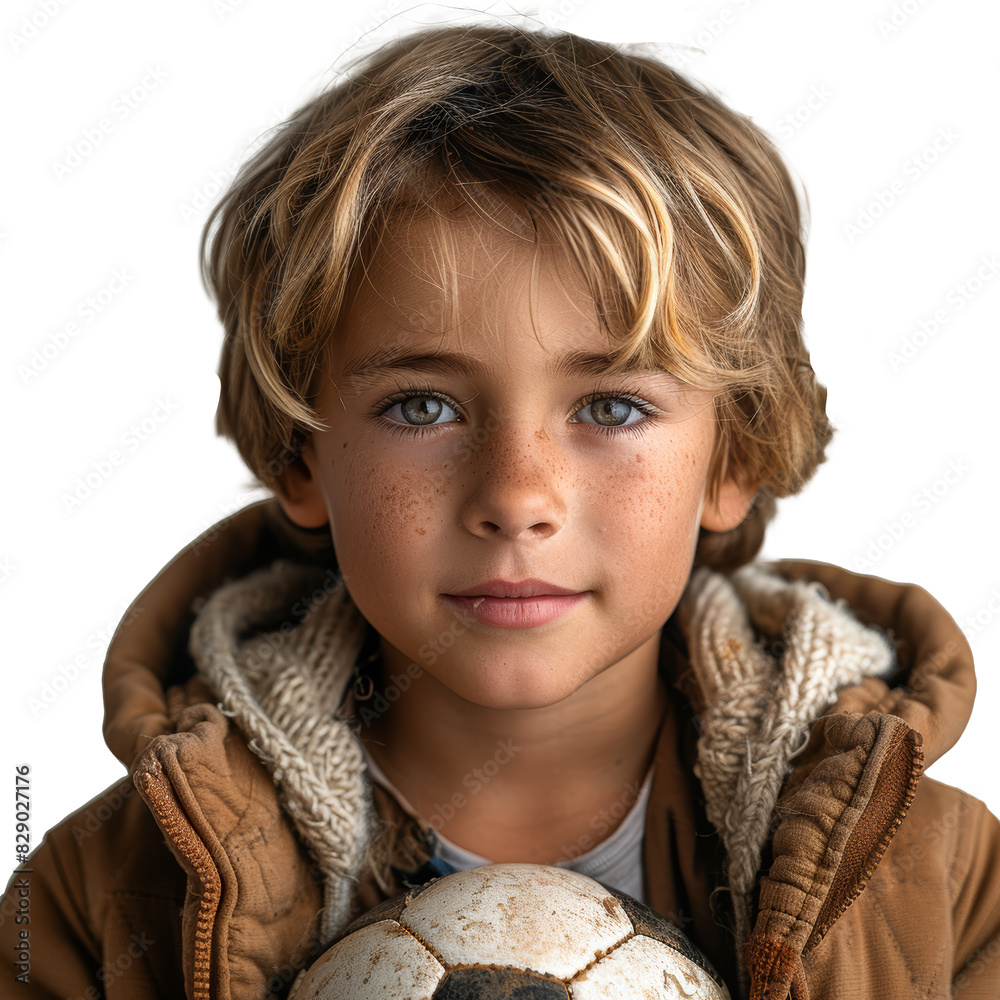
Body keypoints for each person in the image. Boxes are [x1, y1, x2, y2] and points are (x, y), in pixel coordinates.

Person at [4, 22, 999, 1000]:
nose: (516, 497)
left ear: (730, 455)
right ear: (298, 451)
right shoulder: (109, 900)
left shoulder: (937, 888)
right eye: (422, 406)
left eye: (610, 407)